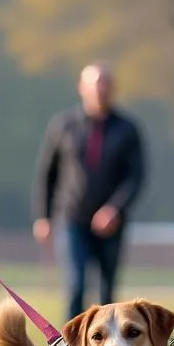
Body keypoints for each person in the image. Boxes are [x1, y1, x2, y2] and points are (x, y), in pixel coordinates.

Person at [33, 63, 145, 322]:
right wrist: (43, 216)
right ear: (82, 88)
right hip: (72, 218)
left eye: (105, 84)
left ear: (113, 89)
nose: (100, 91)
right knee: (76, 285)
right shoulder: (63, 125)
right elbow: (47, 174)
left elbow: (135, 177)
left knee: (108, 294)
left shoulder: (128, 129)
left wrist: (115, 209)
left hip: (112, 223)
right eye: (95, 85)